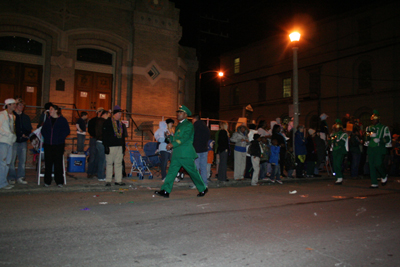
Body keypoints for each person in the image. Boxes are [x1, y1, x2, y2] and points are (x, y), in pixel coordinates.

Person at [154, 105, 208, 198]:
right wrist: (169, 137)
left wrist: (173, 144)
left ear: (185, 114)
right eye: (178, 112)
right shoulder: (180, 125)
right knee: (171, 172)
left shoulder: (189, 125)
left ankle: (203, 188)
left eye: (180, 112)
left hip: (185, 154)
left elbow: (185, 138)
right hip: (177, 153)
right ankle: (165, 191)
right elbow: (176, 137)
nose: (178, 114)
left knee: (193, 172)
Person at [41, 104, 70, 187]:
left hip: (58, 145)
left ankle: (59, 181)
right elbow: (43, 130)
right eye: (49, 109)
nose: (50, 111)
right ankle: (47, 181)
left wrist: (59, 138)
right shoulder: (48, 120)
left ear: (56, 110)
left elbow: (67, 131)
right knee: (48, 163)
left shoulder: (62, 120)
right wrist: (46, 138)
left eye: (51, 109)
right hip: (48, 145)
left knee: (58, 163)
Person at [7, 99, 32, 185]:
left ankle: (21, 177)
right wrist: (19, 134)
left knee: (22, 160)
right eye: (20, 105)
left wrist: (26, 134)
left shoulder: (26, 117)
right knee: (12, 160)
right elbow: (12, 128)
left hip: (23, 141)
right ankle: (12, 177)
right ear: (16, 106)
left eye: (22, 105)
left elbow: (29, 128)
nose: (21, 107)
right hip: (14, 140)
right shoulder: (12, 116)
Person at [365, 110, 391, 188]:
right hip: (371, 148)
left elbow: (388, 138)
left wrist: (380, 140)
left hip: (379, 148)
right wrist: (369, 136)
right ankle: (374, 182)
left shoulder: (384, 128)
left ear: (378, 120)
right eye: (372, 120)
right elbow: (365, 137)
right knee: (371, 165)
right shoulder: (369, 128)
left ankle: (383, 175)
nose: (373, 121)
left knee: (378, 164)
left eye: (375, 120)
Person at [102, 105, 126, 186]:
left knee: (118, 163)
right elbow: (104, 135)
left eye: (120, 114)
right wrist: (105, 146)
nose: (120, 115)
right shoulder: (108, 122)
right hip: (110, 146)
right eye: (118, 113)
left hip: (119, 146)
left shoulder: (121, 124)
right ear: (114, 114)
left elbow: (122, 136)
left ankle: (118, 180)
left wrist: (123, 146)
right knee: (109, 163)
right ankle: (108, 180)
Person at [0, 98, 17, 190]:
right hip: (3, 141)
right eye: (13, 104)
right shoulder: (2, 115)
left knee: (7, 162)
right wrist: (8, 134)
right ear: (8, 105)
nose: (15, 106)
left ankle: (3, 182)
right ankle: (2, 183)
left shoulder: (13, 116)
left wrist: (12, 136)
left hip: (10, 141)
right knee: (2, 162)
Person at [192, 114, 211, 187]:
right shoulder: (205, 126)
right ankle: (204, 183)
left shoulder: (195, 126)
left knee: (196, 168)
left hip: (197, 149)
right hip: (204, 149)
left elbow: (192, 137)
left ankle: (196, 184)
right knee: (203, 167)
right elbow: (208, 136)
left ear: (194, 119)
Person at [329, 119, 348, 185]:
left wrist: (334, 141)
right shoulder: (333, 134)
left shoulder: (344, 134)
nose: (336, 129)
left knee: (338, 164)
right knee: (334, 164)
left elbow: (341, 143)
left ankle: (340, 177)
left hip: (341, 151)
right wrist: (333, 140)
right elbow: (330, 141)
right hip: (334, 150)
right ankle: (338, 177)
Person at [87, 107, 104, 178]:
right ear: (98, 112)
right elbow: (90, 130)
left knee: (98, 156)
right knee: (93, 156)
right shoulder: (93, 120)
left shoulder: (103, 121)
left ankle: (96, 171)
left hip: (99, 139)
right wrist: (95, 135)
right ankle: (90, 172)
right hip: (94, 139)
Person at [95, 110, 110, 182]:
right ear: (105, 114)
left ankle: (100, 175)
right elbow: (104, 132)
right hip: (101, 142)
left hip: (98, 141)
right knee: (103, 160)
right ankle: (101, 176)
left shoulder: (98, 121)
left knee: (101, 160)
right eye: (108, 115)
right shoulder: (103, 122)